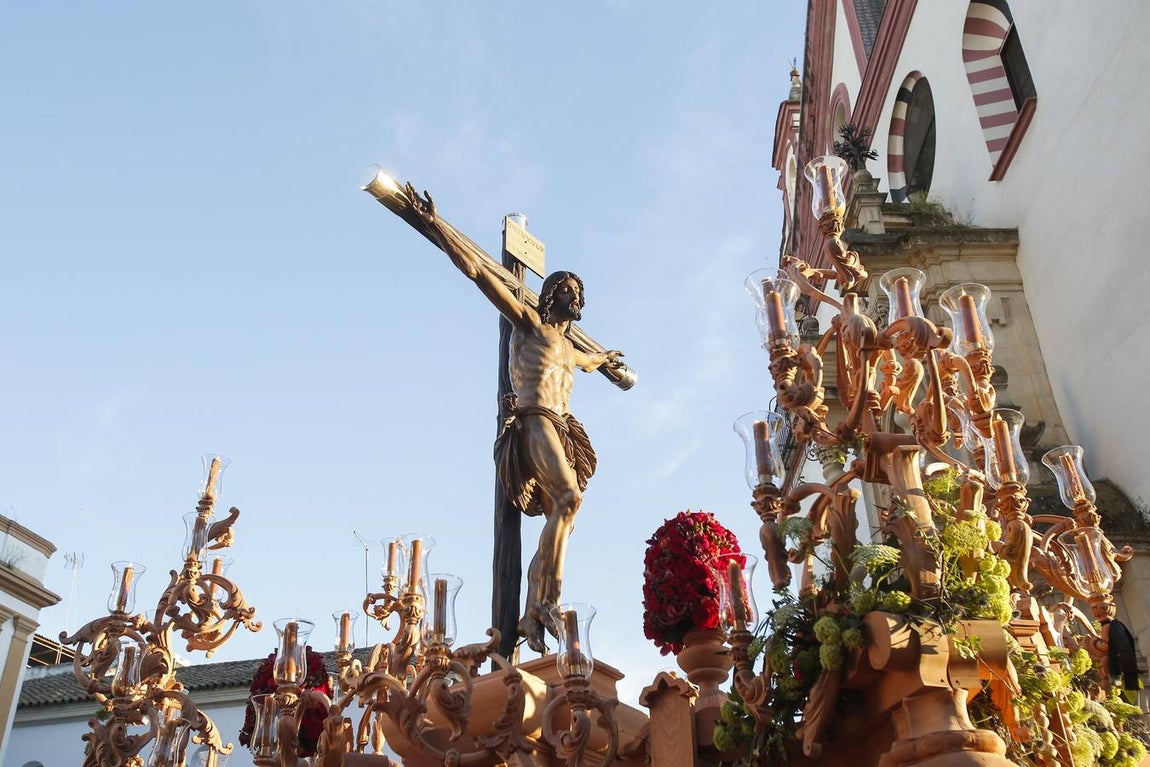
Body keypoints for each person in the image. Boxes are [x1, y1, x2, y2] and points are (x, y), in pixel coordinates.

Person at [408, 185, 624, 652]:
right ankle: (550, 599)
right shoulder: (529, 323)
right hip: (534, 419)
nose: (575, 297)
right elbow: (478, 273)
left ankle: (532, 608)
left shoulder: (572, 348)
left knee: (563, 515)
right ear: (549, 296)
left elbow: (594, 361)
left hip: (562, 427)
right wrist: (438, 226)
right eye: (567, 290)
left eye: (578, 292)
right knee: (568, 499)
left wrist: (608, 359)